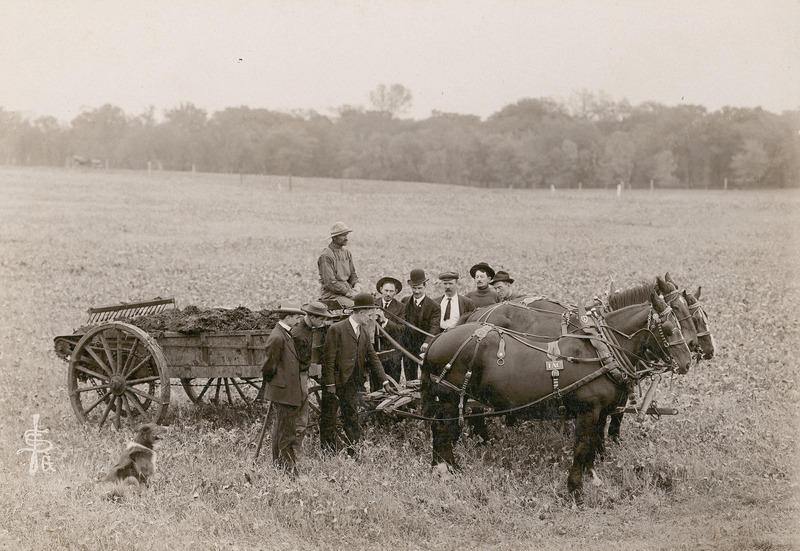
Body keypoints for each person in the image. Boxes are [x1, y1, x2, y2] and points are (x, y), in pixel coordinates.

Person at [320, 292, 392, 456]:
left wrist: (385, 382)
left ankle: (355, 450)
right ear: (360, 312)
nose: (371, 318)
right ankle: (327, 451)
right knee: (329, 418)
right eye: (369, 314)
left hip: (353, 382)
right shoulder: (336, 329)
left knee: (351, 415)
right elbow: (328, 360)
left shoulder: (364, 332)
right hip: (337, 382)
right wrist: (330, 385)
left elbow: (373, 358)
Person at [261, 304, 305, 475]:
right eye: (296, 317)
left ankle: (280, 466)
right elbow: (268, 367)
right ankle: (288, 471)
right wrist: (278, 385)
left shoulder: (284, 334)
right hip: (283, 392)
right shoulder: (277, 337)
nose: (298, 320)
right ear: (288, 317)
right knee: (286, 433)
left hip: (286, 391)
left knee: (283, 430)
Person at [290, 301, 335, 451]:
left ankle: (292, 452)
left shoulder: (308, 330)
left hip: (302, 375)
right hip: (297, 378)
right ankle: (291, 453)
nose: (323, 322)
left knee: (301, 418)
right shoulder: (299, 334)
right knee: (299, 420)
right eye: (321, 319)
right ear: (312, 317)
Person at [402, 269, 441, 379]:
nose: (417, 291)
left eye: (420, 288)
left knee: (427, 377)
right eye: (414, 288)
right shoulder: (405, 301)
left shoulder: (434, 306)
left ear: (425, 286)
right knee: (410, 377)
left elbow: (434, 326)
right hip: (408, 347)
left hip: (425, 348)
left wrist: (427, 343)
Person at [372, 276, 406, 388]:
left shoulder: (401, 307)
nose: (388, 294)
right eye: (386, 290)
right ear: (381, 289)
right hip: (375, 350)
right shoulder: (372, 304)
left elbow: (402, 328)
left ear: (396, 292)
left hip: (393, 352)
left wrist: (385, 321)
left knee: (393, 383)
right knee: (375, 382)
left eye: (391, 291)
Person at [318, 222, 360, 302]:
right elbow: (330, 282)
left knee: (369, 301)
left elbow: (352, 274)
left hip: (347, 292)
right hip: (331, 295)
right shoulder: (326, 256)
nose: (346, 238)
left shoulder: (347, 253)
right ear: (334, 238)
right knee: (355, 306)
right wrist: (348, 292)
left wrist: (356, 285)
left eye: (346, 235)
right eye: (343, 235)